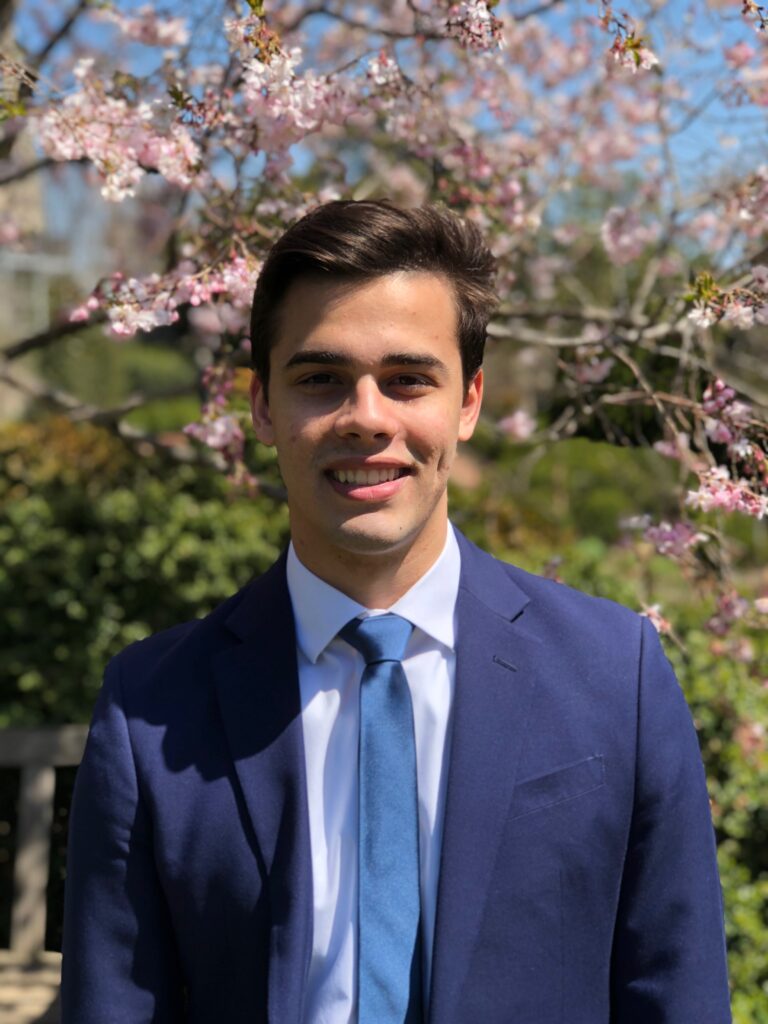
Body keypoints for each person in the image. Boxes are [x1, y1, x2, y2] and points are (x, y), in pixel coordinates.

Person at [61, 200, 732, 1024]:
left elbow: (677, 993)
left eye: (408, 379)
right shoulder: (151, 708)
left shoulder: (612, 674)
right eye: (321, 380)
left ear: (470, 400)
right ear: (263, 407)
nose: (368, 418)